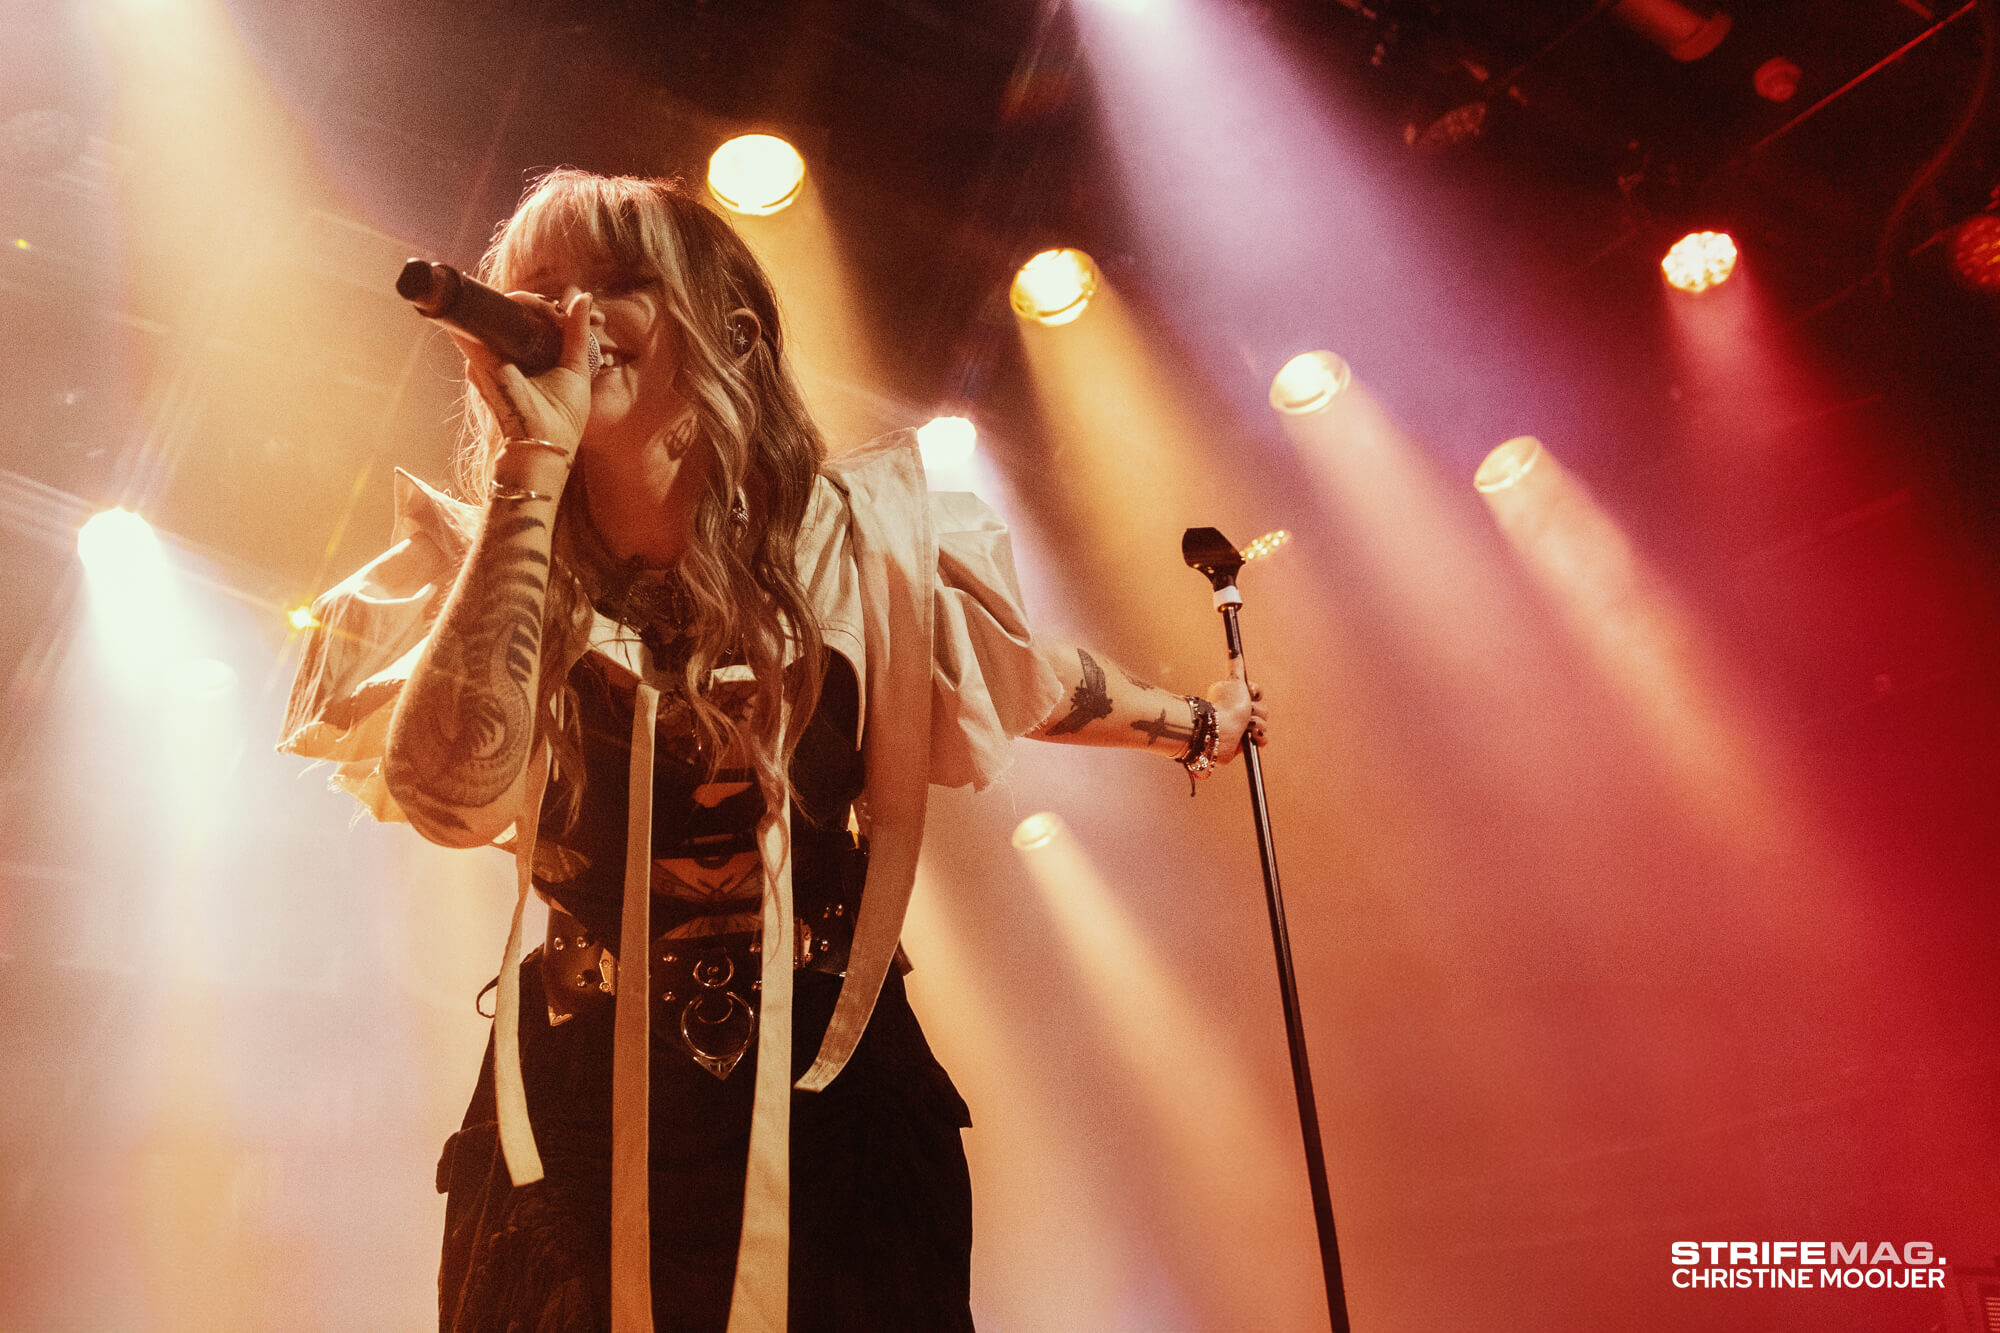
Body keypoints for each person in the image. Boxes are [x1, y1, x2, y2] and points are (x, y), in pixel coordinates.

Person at [280, 168, 1269, 1333]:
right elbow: (449, 800)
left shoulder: (861, 547)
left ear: (732, 333)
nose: (566, 313)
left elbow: (1037, 681)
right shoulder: (477, 560)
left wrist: (1200, 723)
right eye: (538, 288)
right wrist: (526, 470)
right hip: (581, 1103)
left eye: (613, 280)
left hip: (831, 1089)